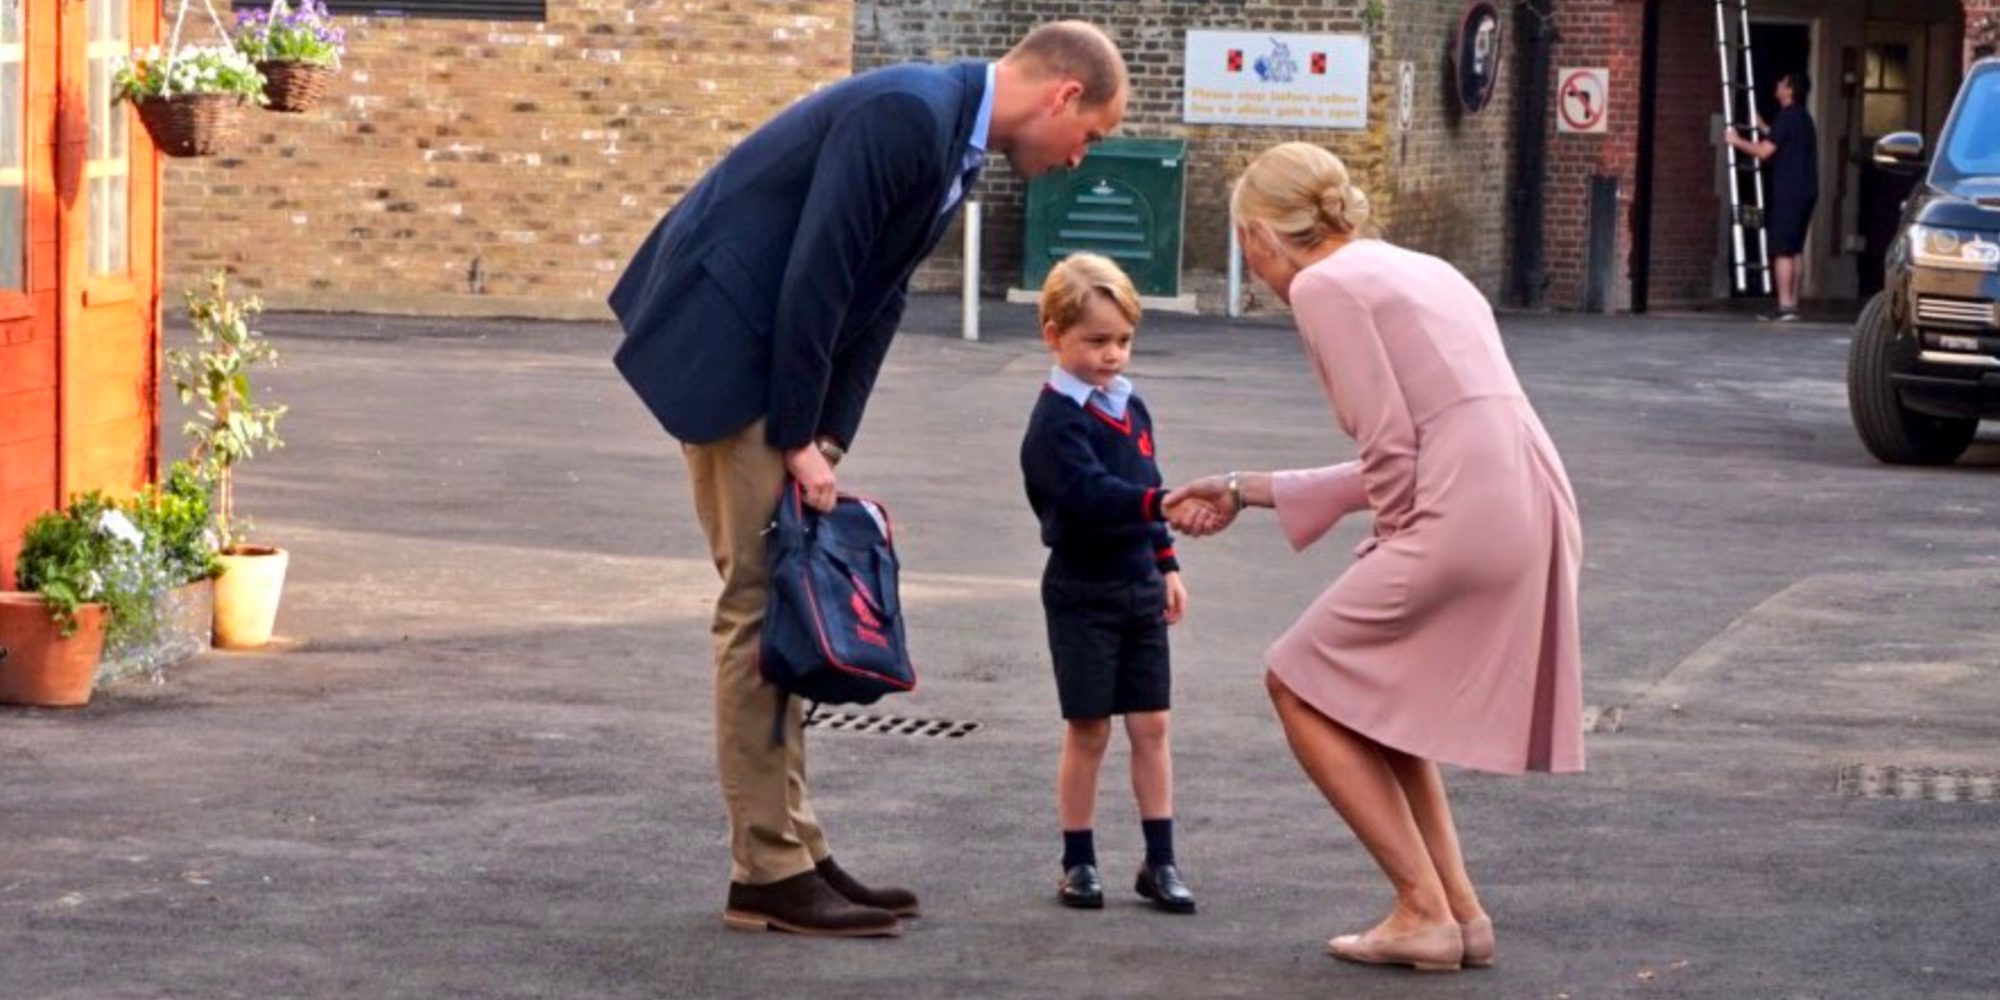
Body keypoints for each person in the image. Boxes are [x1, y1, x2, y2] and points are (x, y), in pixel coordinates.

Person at [607, 22, 1129, 939]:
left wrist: (829, 438)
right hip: (733, 353)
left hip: (771, 368)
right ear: (1063, 96)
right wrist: (798, 432)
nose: (1079, 160)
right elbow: (818, 274)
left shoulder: (947, 140)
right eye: (1089, 137)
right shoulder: (907, 115)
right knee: (761, 608)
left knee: (789, 601)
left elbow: (873, 301)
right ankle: (765, 870)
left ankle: (796, 848)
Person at [1166, 142, 1585, 972]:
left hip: (1458, 513)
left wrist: (1394, 542)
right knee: (1379, 703)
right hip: (1527, 496)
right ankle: (1459, 914)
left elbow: (1389, 446)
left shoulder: (1324, 287)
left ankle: (1424, 908)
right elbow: (1440, 435)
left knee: (1295, 678)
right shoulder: (1416, 267)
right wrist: (1245, 488)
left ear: (1257, 235)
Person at [1019, 254, 1196, 916]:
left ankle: (1161, 860)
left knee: (1151, 723)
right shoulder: (1055, 423)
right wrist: (1162, 507)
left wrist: (1167, 562)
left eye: (1122, 340)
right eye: (1096, 341)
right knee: (1089, 727)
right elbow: (1091, 495)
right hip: (1082, 588)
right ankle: (1078, 861)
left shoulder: (1130, 407)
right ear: (1054, 335)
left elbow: (1147, 481)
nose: (1112, 355)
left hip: (1139, 584)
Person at [1726, 70, 1818, 321]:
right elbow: (1781, 139)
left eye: (1781, 82)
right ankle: (1793, 303)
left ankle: (1785, 306)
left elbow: (1764, 152)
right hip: (1807, 191)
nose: (1777, 84)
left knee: (1782, 249)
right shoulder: (1803, 118)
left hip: (1789, 192)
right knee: (1795, 247)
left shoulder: (1787, 117)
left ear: (1789, 89)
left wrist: (1736, 141)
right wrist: (1763, 126)